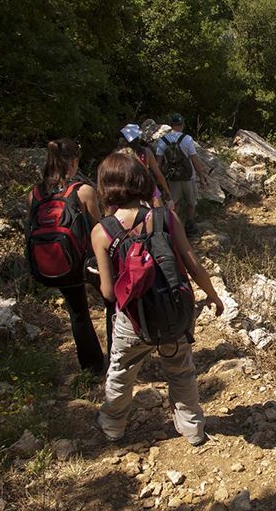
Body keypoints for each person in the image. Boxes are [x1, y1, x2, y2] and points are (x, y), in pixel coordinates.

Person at [91, 152, 224, 444]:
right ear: (141, 180)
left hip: (132, 320)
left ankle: (113, 424)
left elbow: (109, 292)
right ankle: (192, 427)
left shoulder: (102, 231)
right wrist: (213, 296)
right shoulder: (165, 217)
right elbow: (193, 265)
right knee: (181, 370)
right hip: (173, 310)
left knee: (122, 370)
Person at [27, 139, 104, 374]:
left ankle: (91, 367)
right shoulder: (83, 191)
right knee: (113, 302)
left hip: (57, 263)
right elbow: (99, 228)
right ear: (73, 162)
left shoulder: (34, 194)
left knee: (78, 313)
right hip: (87, 263)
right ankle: (122, 357)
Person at [155, 113, 205, 238]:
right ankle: (189, 226)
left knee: (174, 204)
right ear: (182, 124)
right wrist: (202, 177)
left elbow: (158, 164)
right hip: (188, 177)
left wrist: (160, 181)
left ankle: (173, 230)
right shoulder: (187, 139)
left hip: (172, 178)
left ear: (171, 125)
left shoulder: (162, 141)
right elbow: (194, 160)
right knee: (191, 202)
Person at [119, 124, 172, 209]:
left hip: (127, 186)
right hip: (145, 184)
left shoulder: (120, 155)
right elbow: (157, 173)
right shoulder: (146, 152)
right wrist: (166, 189)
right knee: (159, 211)